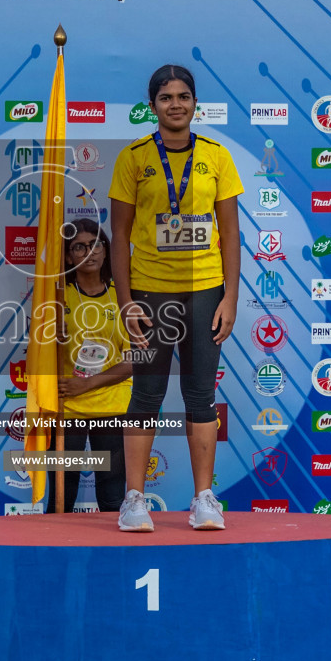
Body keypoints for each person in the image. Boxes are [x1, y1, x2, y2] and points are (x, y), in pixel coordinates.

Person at [108, 64, 243, 532]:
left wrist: (231, 296)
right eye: (166, 97)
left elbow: (230, 230)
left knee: (201, 395)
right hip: (150, 292)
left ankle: (204, 498)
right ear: (153, 106)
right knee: (146, 394)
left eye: (183, 96)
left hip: (205, 290)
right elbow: (119, 235)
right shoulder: (134, 158)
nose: (176, 104)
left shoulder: (218, 156)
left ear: (194, 103)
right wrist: (126, 301)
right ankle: (134, 500)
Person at [53, 219, 132, 513]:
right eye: (79, 247)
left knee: (112, 498)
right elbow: (40, 353)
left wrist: (87, 383)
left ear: (107, 249)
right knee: (62, 495)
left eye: (96, 244)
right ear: (68, 255)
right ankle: (55, 556)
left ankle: (114, 558)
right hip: (67, 406)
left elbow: (135, 360)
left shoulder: (122, 296)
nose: (90, 252)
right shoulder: (57, 297)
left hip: (112, 406)